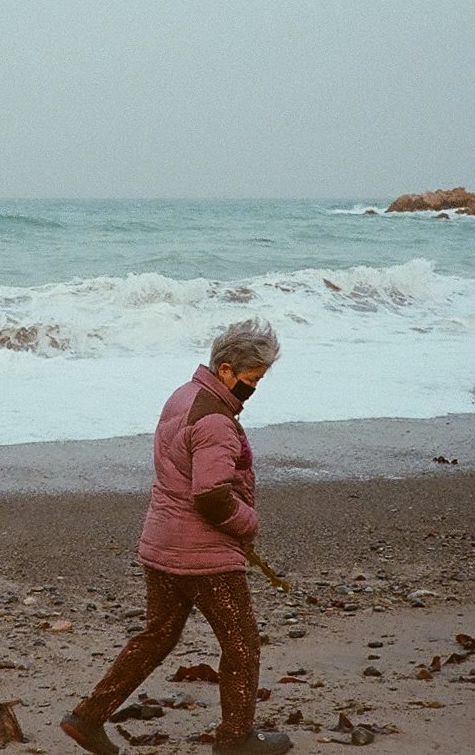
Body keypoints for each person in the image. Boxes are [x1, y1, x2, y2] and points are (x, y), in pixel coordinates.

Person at [61, 319, 291, 755]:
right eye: (253, 378)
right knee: (242, 645)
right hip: (202, 554)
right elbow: (209, 495)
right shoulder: (216, 421)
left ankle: (87, 718)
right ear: (226, 370)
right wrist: (248, 523)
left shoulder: (181, 397)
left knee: (158, 636)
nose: (255, 387)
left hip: (161, 543)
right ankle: (236, 739)